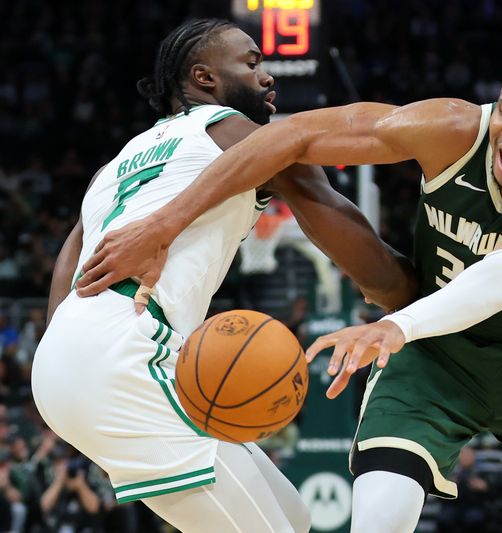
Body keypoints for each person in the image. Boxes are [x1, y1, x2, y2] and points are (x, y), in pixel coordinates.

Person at [74, 49, 502, 532]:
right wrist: (164, 223)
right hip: (432, 359)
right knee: (381, 517)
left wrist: (397, 324)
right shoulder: (453, 128)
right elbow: (291, 136)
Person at [32, 18, 419, 533]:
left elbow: (71, 256)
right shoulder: (235, 132)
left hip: (73, 350)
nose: (267, 77)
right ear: (205, 78)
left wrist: (77, 365)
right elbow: (344, 230)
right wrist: (414, 299)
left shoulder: (119, 161)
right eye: (252, 63)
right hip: (124, 352)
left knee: (295, 518)